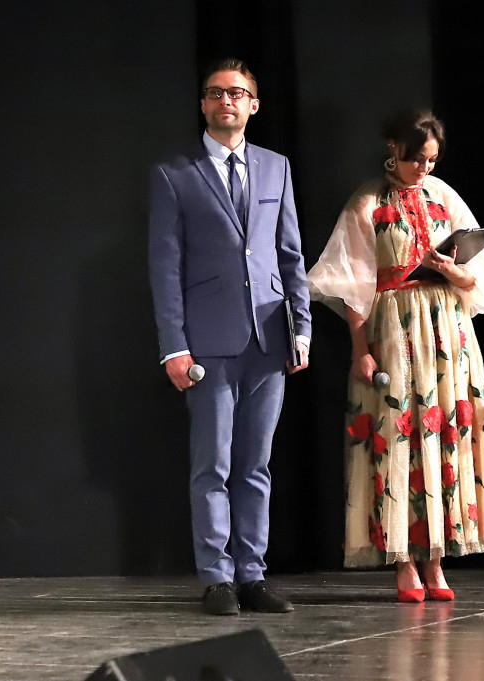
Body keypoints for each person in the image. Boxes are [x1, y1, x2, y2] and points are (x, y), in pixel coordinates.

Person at [307, 109, 484, 601]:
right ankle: (403, 562)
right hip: (395, 327)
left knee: (442, 435)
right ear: (394, 148)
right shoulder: (368, 202)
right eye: (417, 159)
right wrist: (361, 351)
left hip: (446, 329)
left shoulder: (443, 198)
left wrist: (451, 270)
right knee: (400, 434)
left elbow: (479, 273)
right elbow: (352, 285)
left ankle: (436, 559)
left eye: (432, 160)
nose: (424, 169)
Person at [148, 58, 311, 615]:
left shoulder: (276, 167)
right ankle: (217, 578)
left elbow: (290, 255)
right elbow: (165, 267)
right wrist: (174, 345)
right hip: (208, 343)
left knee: (255, 467)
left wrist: (301, 328)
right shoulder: (175, 173)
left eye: (237, 94)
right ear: (203, 103)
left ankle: (252, 575)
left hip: (269, 339)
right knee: (212, 466)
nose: (226, 101)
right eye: (216, 93)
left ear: (253, 105)